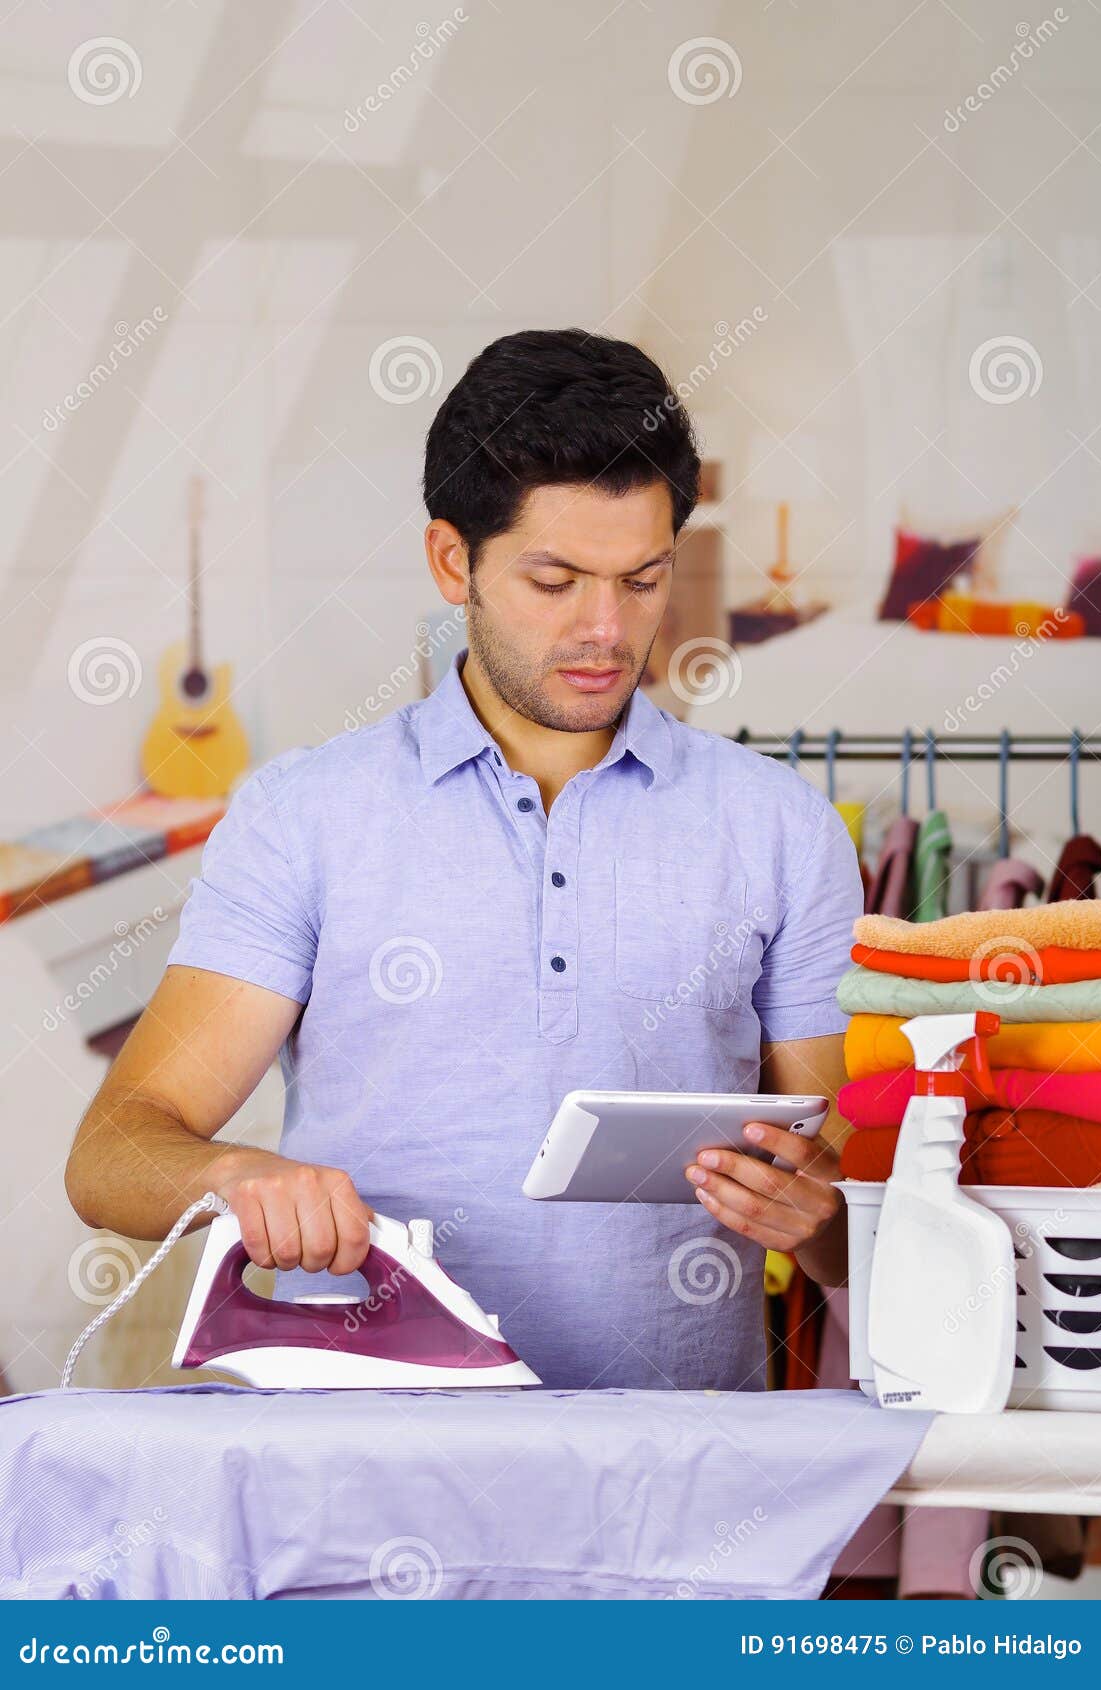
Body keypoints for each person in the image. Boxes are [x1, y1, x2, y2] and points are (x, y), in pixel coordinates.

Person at [66, 328, 861, 1390]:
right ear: (454, 561)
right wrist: (236, 1174)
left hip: (675, 1475)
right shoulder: (306, 815)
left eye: (641, 579)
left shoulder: (779, 828)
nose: (604, 628)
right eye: (554, 578)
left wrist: (825, 1221)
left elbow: (855, 1211)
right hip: (364, 1463)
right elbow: (112, 1152)